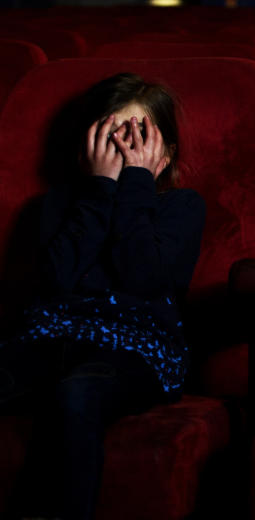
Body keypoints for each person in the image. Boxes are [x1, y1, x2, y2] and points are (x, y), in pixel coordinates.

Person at [0, 73, 205, 520]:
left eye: (138, 139)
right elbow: (56, 280)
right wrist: (99, 189)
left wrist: (134, 183)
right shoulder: (60, 203)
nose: (124, 149)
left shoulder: (182, 207)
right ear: (87, 148)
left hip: (136, 349)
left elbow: (143, 277)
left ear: (165, 155)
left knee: (76, 392)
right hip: (50, 340)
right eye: (112, 138)